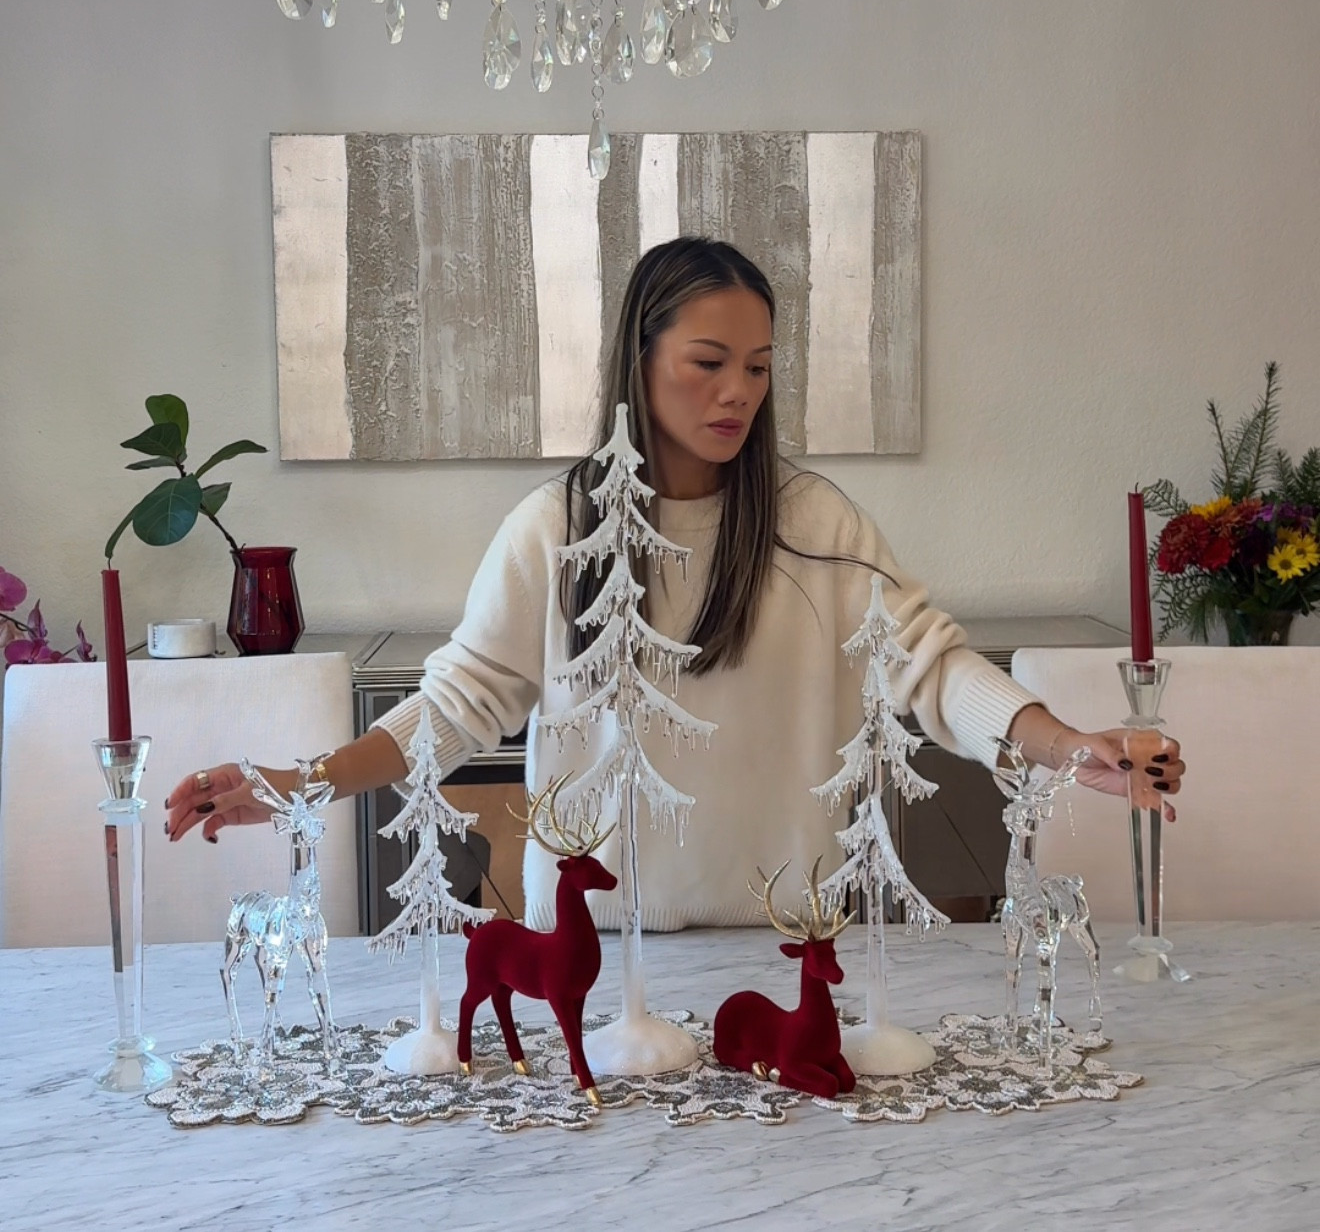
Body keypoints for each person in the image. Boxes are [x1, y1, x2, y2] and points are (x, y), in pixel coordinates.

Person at [167, 237, 1183, 929]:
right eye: (707, 361)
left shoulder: (816, 526)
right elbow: (456, 706)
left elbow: (936, 669)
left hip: (793, 950)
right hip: (601, 960)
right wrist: (300, 783)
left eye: (758, 365)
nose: (738, 390)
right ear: (639, 358)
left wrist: (1067, 744)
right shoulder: (554, 531)